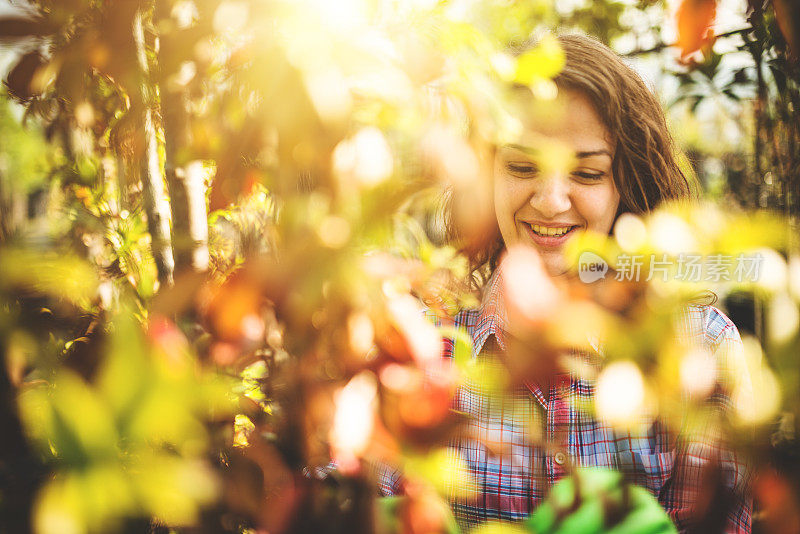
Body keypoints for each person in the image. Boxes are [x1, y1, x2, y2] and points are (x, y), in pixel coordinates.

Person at [377, 33, 752, 533]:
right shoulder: (422, 338)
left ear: (626, 181)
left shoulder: (700, 350)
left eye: (588, 173)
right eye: (522, 166)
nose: (552, 201)